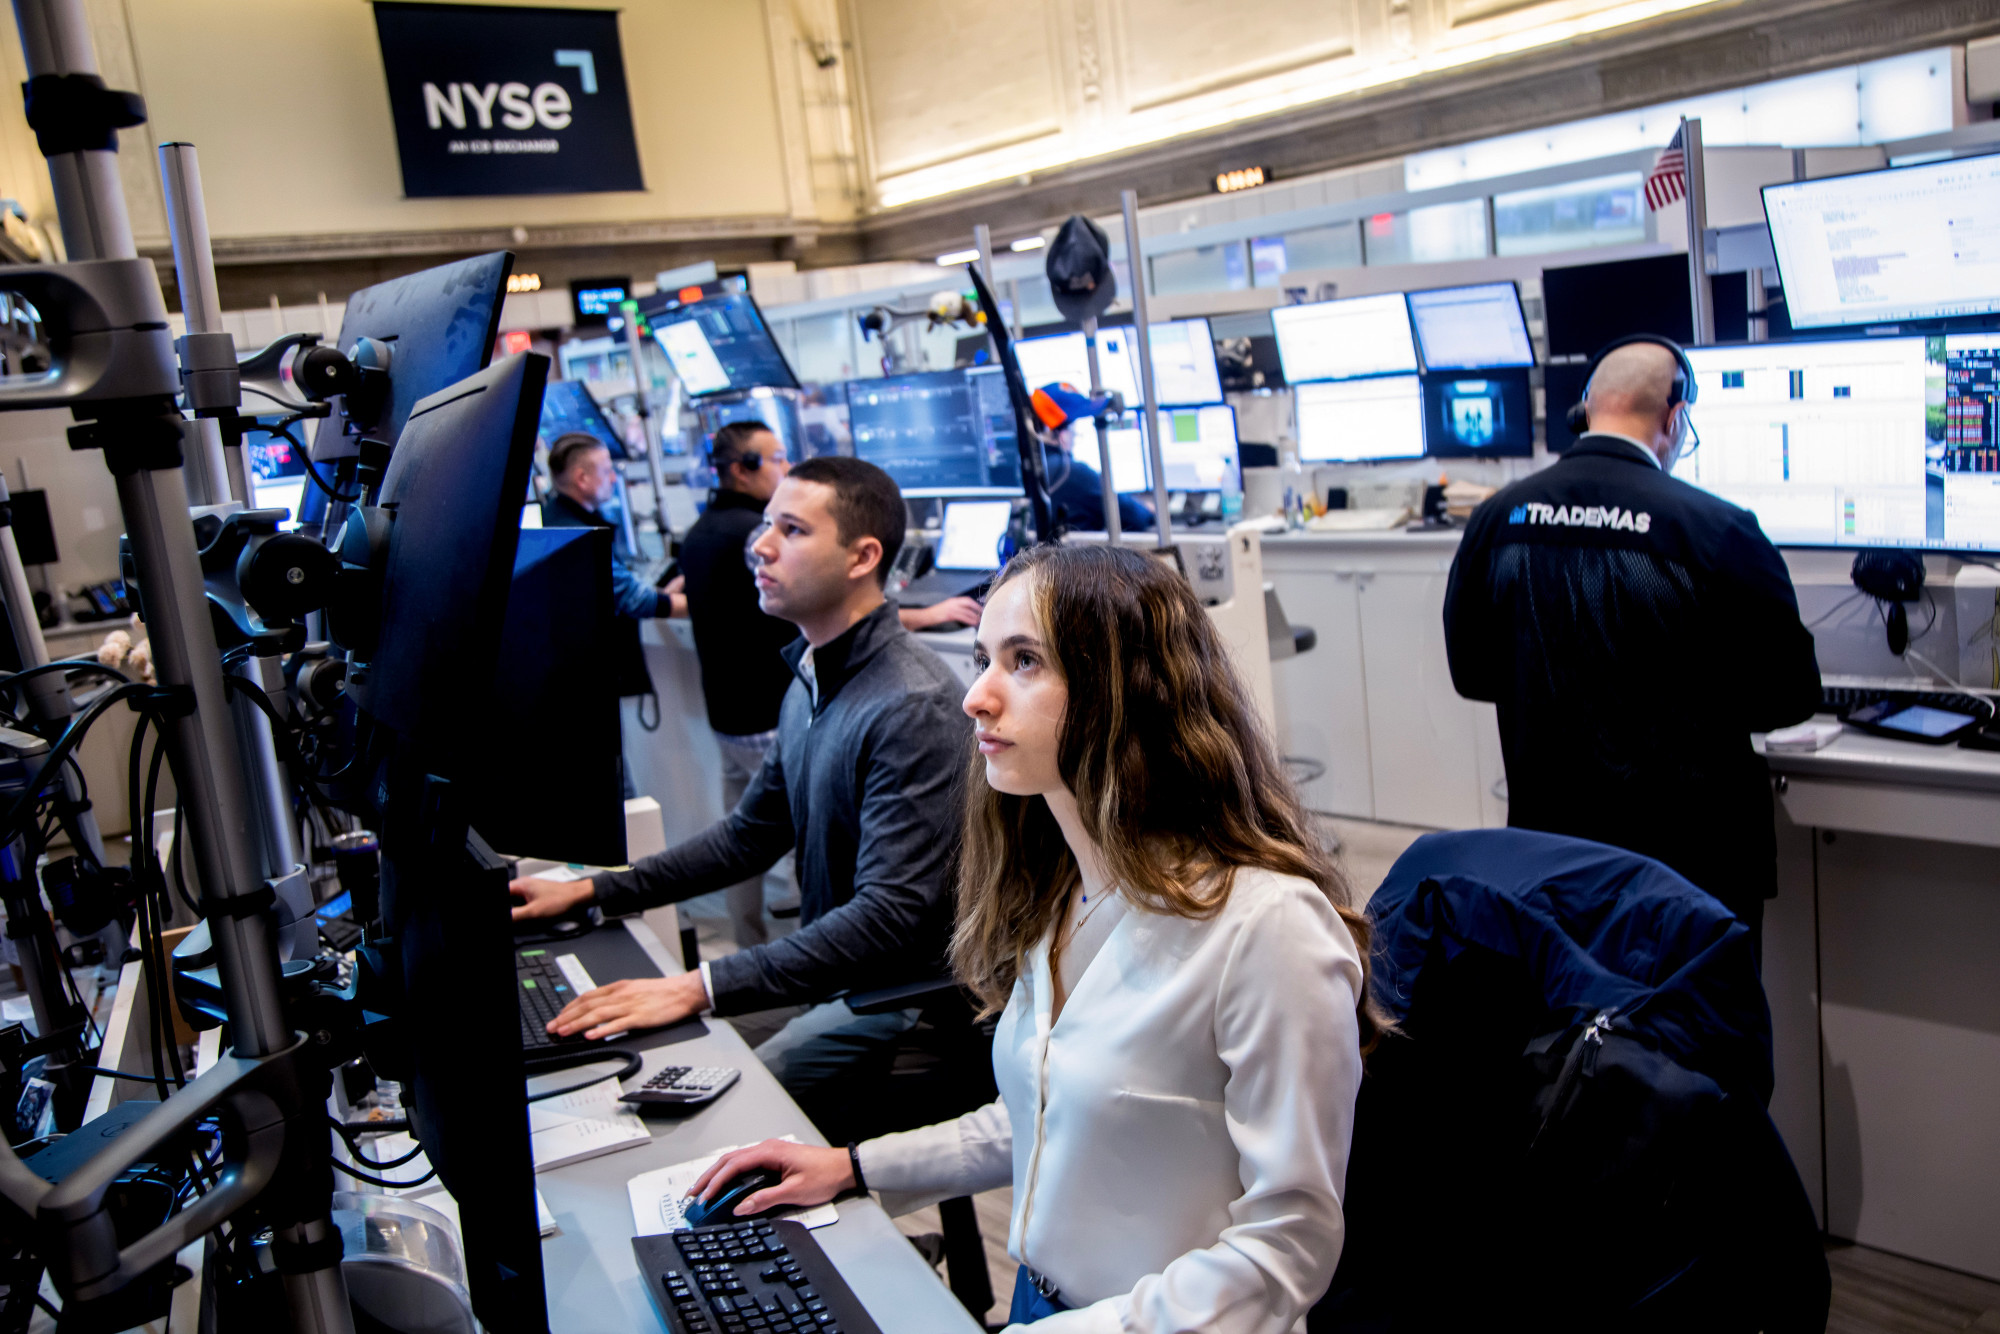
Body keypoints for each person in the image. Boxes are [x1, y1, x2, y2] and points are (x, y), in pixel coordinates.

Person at [686, 542, 1379, 1332]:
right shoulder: (1062, 894)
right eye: (984, 658)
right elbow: (1040, 1118)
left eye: (1024, 661)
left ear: (1127, 689)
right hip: (1038, 1303)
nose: (975, 697)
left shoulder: (1267, 927)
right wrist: (852, 1167)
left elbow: (1286, 1250)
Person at [510, 457, 982, 1142]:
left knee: (706, 1118)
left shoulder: (911, 703)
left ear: (862, 557)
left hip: (902, 1002)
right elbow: (748, 837)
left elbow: (889, 918)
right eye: (766, 525)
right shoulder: (813, 676)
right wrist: (594, 891)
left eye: (792, 530)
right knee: (647, 1054)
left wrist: (695, 985)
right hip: (839, 979)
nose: (759, 546)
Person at [1442, 337, 1821, 950]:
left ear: (1585, 411)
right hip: (1691, 877)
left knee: (1573, 1006)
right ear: (1675, 418)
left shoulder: (1497, 518)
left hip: (1552, 862)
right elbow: (1790, 695)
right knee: (1697, 1011)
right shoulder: (1718, 530)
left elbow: (1474, 671)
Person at [677, 420, 798, 948]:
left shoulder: (699, 531)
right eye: (777, 458)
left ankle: (748, 941)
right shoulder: (754, 535)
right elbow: (805, 602)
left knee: (740, 837)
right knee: (808, 838)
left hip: (727, 716)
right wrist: (924, 614)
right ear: (742, 469)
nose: (786, 468)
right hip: (766, 715)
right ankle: (817, 964)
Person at [542, 431, 674, 795]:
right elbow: (633, 599)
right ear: (582, 478)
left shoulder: (554, 518)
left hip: (567, 679)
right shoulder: (580, 534)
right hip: (582, 684)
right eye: (606, 470)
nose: (614, 478)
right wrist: (688, 600)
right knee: (614, 789)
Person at [1030, 382, 1156, 534]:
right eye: (1071, 428)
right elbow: (1135, 517)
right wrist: (1147, 509)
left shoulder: (1032, 467)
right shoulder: (1069, 472)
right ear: (1051, 432)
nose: (1074, 436)